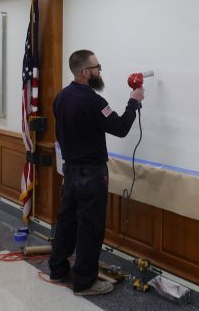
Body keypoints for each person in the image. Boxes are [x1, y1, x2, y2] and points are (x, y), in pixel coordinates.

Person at [48, 50, 144, 296]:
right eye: (97, 67)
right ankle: (84, 282)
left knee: (67, 222)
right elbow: (121, 128)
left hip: (69, 172)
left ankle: (58, 269)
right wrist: (134, 101)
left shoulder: (61, 97)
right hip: (91, 175)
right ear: (84, 72)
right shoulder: (94, 102)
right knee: (90, 228)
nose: (100, 71)